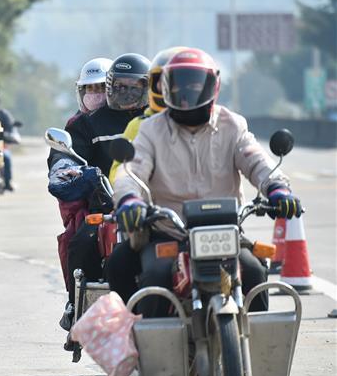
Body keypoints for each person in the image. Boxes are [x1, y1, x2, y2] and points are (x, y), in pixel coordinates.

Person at [107, 48, 302, 316]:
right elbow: (132, 171)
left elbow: (256, 162)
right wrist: (129, 200)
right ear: (166, 87)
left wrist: (278, 189)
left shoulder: (233, 125)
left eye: (195, 85)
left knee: (255, 271)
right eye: (179, 85)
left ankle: (257, 342)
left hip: (224, 234)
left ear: (213, 86)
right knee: (148, 274)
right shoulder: (151, 129)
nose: (187, 93)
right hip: (170, 232)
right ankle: (137, 338)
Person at [47, 54, 149, 333]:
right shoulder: (87, 123)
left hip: (155, 206)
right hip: (106, 207)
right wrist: (68, 171)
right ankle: (78, 306)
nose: (125, 93)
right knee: (81, 243)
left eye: (134, 87)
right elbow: (65, 158)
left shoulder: (156, 122)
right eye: (119, 86)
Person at [109, 46, 188, 183]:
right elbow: (118, 175)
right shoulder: (140, 124)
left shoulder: (222, 124)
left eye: (191, 84)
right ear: (153, 83)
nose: (175, 89)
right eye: (164, 82)